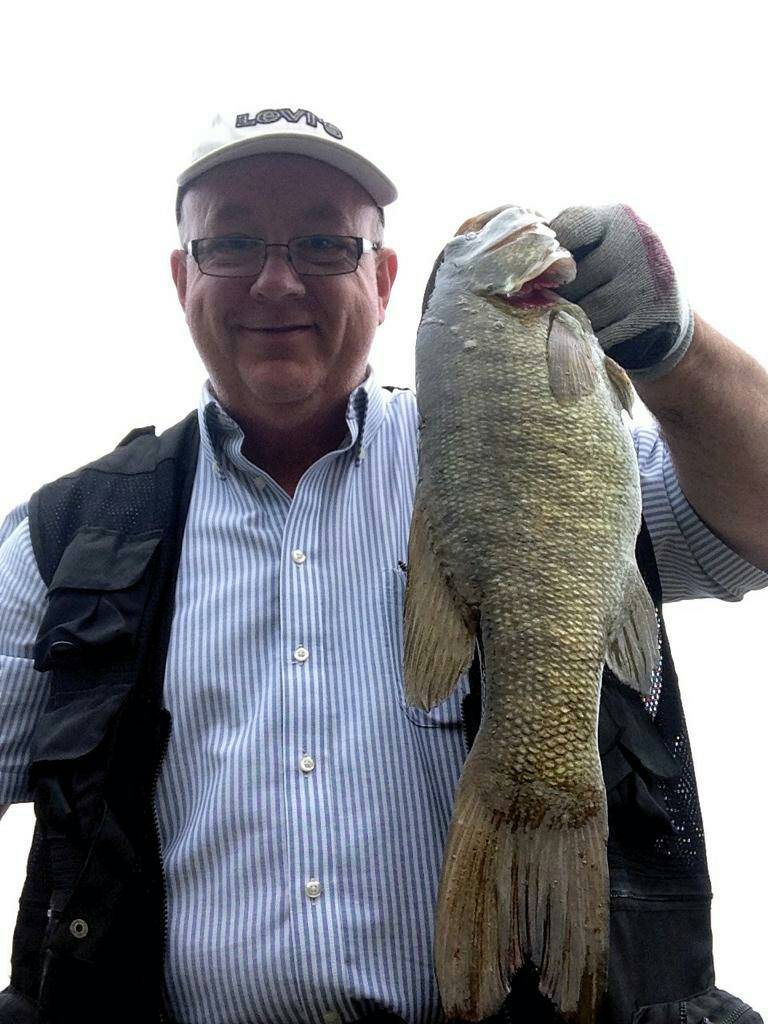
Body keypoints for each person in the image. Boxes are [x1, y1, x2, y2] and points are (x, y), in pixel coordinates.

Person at [1, 107, 766, 1024]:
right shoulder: (64, 536)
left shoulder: (525, 445)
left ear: (386, 278)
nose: (277, 281)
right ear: (182, 276)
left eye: (325, 244)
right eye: (231, 243)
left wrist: (673, 348)